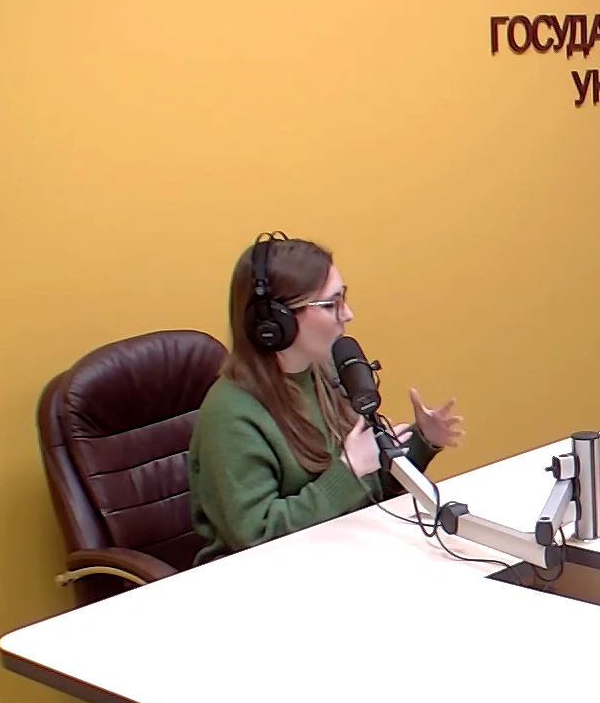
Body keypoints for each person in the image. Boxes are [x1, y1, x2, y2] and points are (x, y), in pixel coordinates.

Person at [188, 233, 465, 564]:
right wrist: (348, 471)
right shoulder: (231, 414)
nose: (347, 314)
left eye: (343, 298)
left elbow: (373, 488)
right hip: (263, 574)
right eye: (330, 304)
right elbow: (256, 535)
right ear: (276, 322)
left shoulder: (328, 371)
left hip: (342, 550)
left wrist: (421, 441)